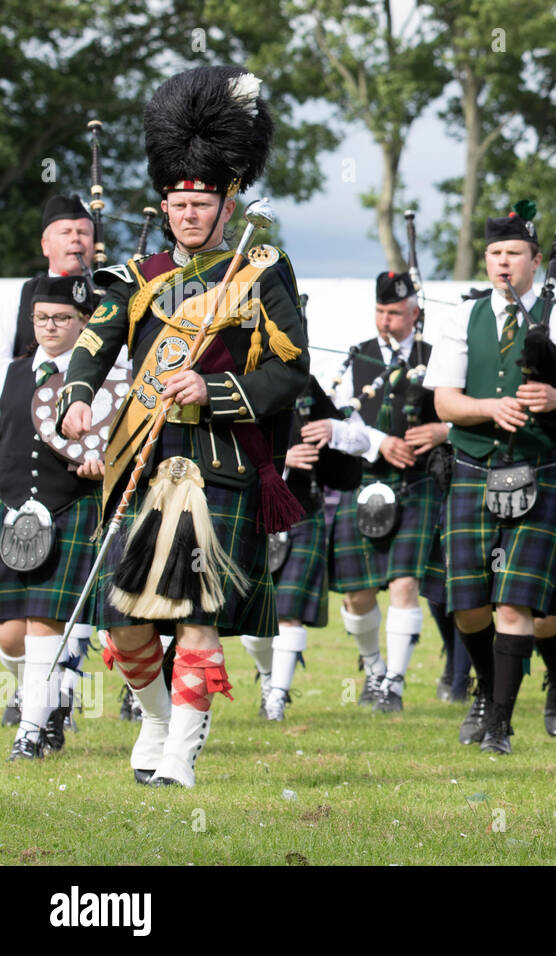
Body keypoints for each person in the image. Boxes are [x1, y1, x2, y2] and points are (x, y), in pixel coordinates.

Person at [56, 65, 309, 788]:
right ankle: (161, 718)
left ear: (227, 204)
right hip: (141, 455)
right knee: (126, 620)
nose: (188, 214)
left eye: (201, 202)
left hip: (220, 463)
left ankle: (181, 759)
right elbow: (92, 342)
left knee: (197, 616)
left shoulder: (260, 271)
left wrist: (214, 386)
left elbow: (291, 369)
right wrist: (78, 396)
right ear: (164, 203)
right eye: (177, 202)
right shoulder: (139, 276)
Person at [426, 203, 556, 755]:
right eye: (494, 254)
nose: (502, 263)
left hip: (538, 469)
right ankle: (485, 689)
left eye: (513, 254)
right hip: (472, 468)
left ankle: (500, 724)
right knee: (468, 602)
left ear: (535, 259)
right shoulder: (463, 317)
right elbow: (444, 401)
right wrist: (489, 407)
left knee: (515, 603)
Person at [325, 272, 449, 713]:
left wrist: (442, 431)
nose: (386, 321)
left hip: (416, 482)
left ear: (414, 314)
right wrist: (380, 442)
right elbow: (337, 422)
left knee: (404, 583)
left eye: (394, 313)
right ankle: (374, 668)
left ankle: (393, 683)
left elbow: (459, 411)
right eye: (380, 312)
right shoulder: (357, 357)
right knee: (356, 592)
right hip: (365, 481)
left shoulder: (435, 358)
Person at [0, 276, 103, 758]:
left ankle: (31, 731)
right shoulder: (12, 372)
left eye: (62, 318)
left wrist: (102, 467)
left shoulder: (104, 379)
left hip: (70, 509)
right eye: (42, 318)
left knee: (45, 622)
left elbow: (114, 449)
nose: (50, 327)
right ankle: (36, 699)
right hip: (10, 513)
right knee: (10, 631)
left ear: (84, 324)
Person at [240, 377, 362, 720]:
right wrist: (282, 459)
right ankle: (268, 677)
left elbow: (354, 443)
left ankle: (277, 697)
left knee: (288, 613)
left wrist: (335, 433)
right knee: (254, 618)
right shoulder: (240, 378)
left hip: (302, 514)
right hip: (253, 514)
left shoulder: (306, 385)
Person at [3, 196, 95, 372]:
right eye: (65, 232)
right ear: (45, 245)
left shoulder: (112, 292)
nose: (75, 239)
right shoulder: (19, 295)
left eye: (83, 233)